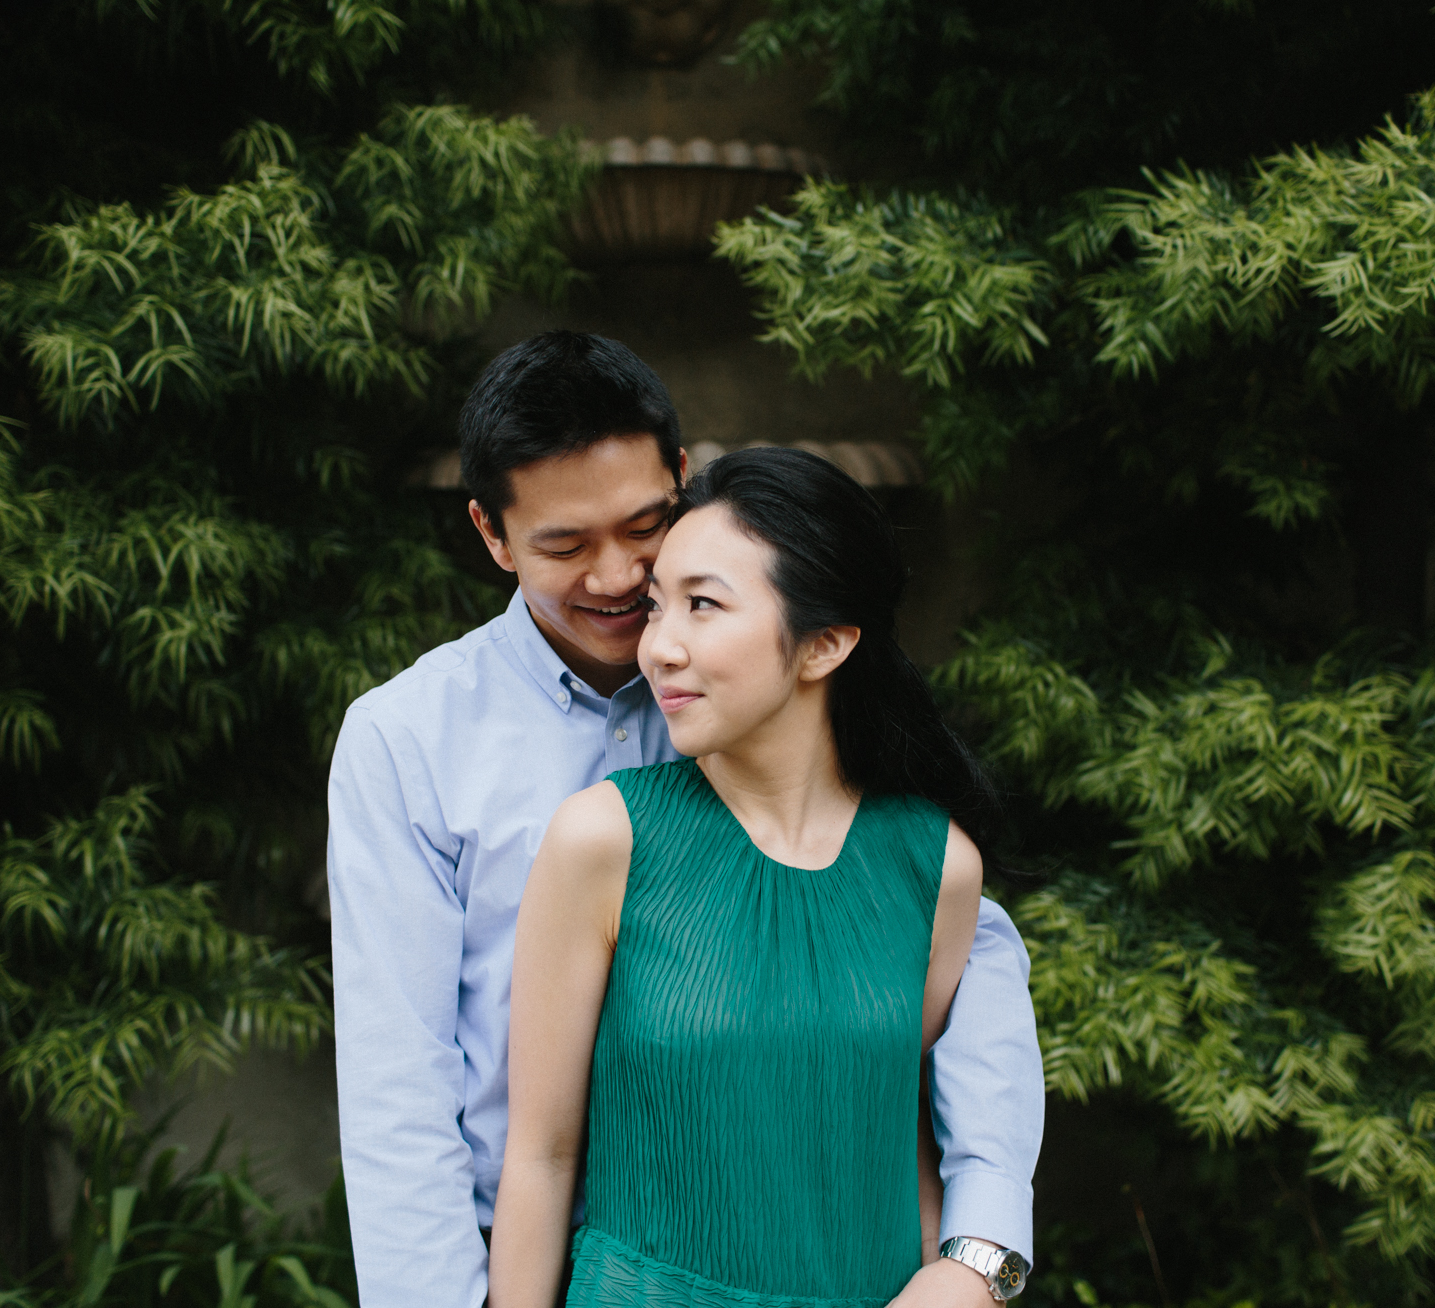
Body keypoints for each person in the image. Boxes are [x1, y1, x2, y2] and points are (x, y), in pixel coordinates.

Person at [327, 332, 1043, 1308]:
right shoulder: (409, 739)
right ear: (492, 537)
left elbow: (951, 1023)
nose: (619, 577)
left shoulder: (765, 700)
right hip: (514, 1250)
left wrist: (976, 1258)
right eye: (564, 545)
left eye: (644, 527)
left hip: (793, 1241)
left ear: (681, 478)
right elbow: (397, 1087)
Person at [490, 446, 1014, 1308]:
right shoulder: (605, 839)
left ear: (826, 642)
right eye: (659, 606)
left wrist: (965, 1280)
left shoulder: (939, 867)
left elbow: (904, 1138)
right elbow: (541, 1159)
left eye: (702, 605)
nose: (658, 646)